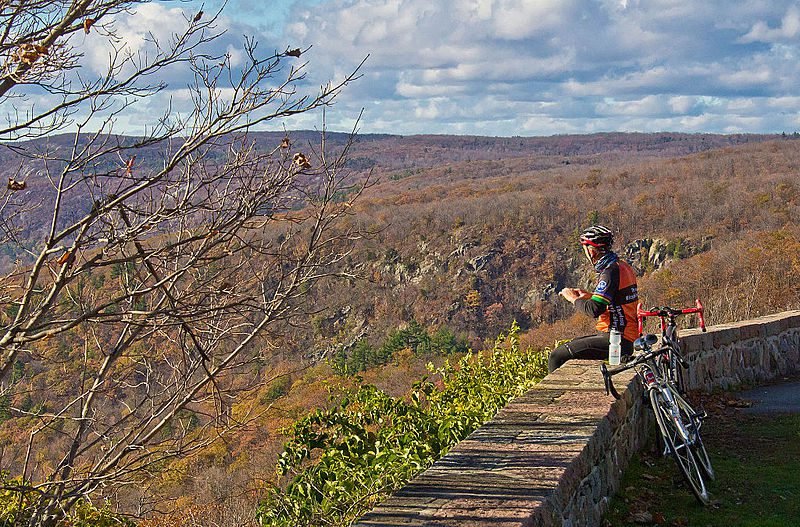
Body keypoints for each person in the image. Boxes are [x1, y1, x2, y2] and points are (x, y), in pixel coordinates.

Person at [549, 224, 639, 372]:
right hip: (626, 335)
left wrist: (573, 298)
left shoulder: (610, 272)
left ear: (591, 251)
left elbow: (594, 309)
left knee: (557, 356)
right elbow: (617, 301)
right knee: (573, 344)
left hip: (617, 338)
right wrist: (590, 296)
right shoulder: (622, 266)